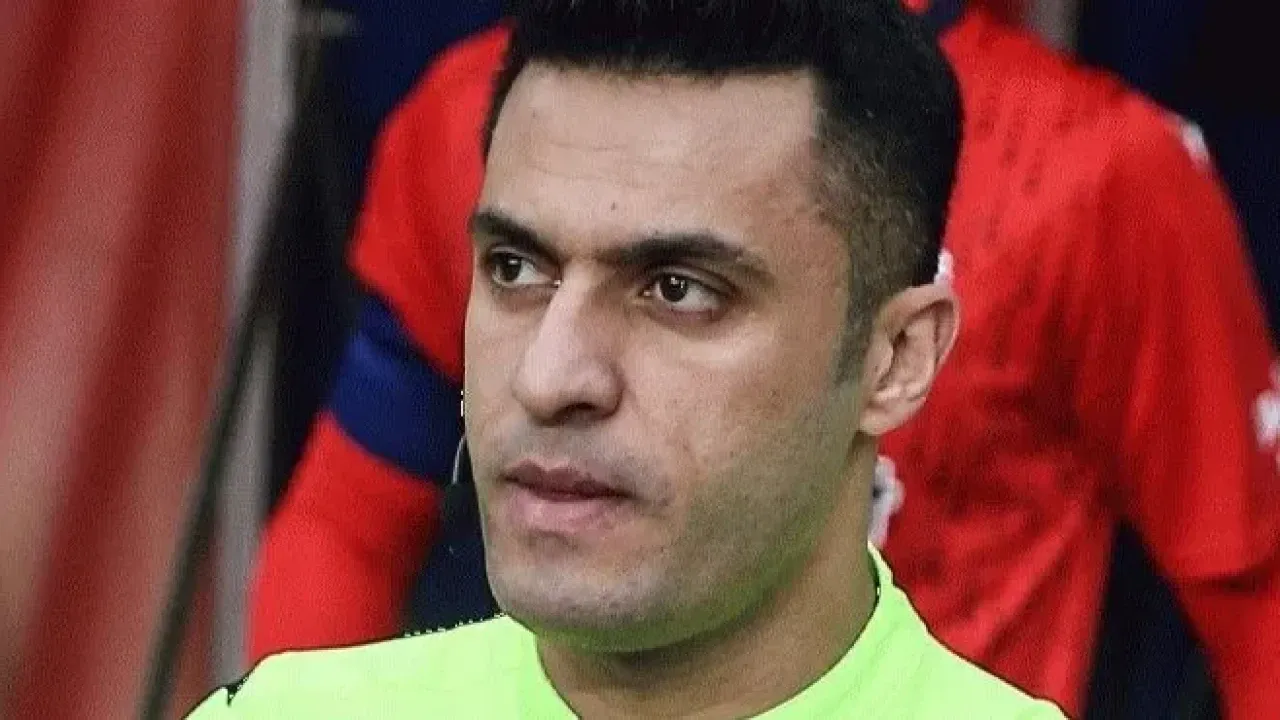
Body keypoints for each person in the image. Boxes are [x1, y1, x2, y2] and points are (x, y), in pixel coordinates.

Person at [249, 2, 1280, 719]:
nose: (550, 376)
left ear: (903, 354)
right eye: (513, 269)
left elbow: (1254, 606)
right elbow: (348, 522)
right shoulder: (515, 118)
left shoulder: (1098, 171)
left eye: (679, 289)